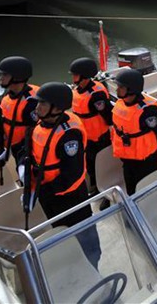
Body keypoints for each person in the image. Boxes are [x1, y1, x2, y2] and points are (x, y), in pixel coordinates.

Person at [20, 82, 100, 267]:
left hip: (69, 197)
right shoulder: (39, 124)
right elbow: (28, 151)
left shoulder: (68, 134)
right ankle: (72, 262)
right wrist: (25, 173)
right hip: (48, 194)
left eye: (43, 104)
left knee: (84, 236)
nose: (37, 107)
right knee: (61, 232)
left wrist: (46, 191)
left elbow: (72, 174)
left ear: (56, 108)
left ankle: (92, 266)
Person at [111, 69, 157, 195]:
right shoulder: (121, 103)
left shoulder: (147, 111)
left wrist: (145, 141)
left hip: (144, 161)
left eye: (121, 87)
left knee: (147, 190)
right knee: (131, 190)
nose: (117, 90)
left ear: (131, 89)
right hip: (127, 159)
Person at [69, 58, 113, 204]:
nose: (72, 77)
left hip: (99, 139)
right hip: (85, 138)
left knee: (103, 166)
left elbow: (108, 115)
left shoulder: (96, 95)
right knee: (90, 166)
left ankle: (107, 191)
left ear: (84, 75)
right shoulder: (77, 91)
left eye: (75, 74)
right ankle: (95, 188)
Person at [0, 56, 38, 170]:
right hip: (14, 147)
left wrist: (23, 160)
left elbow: (33, 133)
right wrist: (1, 149)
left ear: (17, 77)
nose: (0, 78)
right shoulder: (6, 97)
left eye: (5, 75)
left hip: (29, 151)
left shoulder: (31, 103)